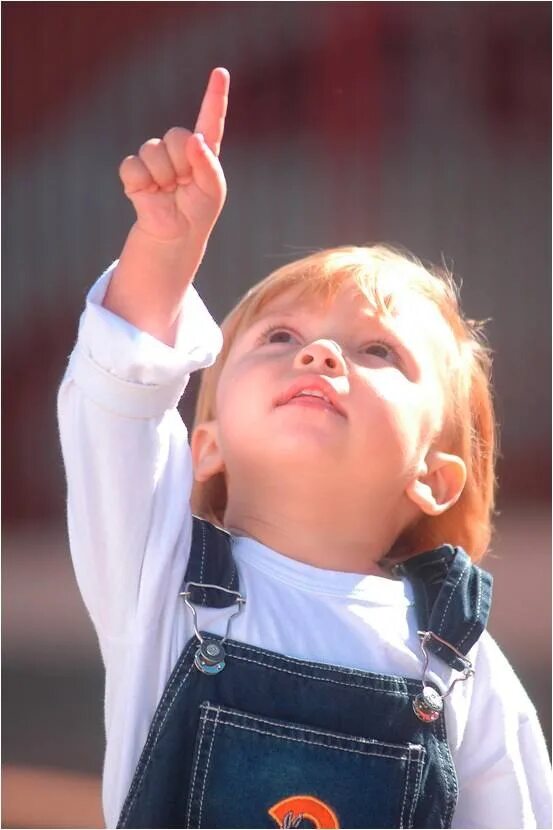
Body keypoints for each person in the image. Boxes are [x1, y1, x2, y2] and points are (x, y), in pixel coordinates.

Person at [58, 68, 551, 829]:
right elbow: (117, 401)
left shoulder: (462, 665)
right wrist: (162, 250)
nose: (319, 355)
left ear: (433, 475)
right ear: (207, 445)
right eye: (281, 337)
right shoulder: (158, 576)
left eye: (377, 352)